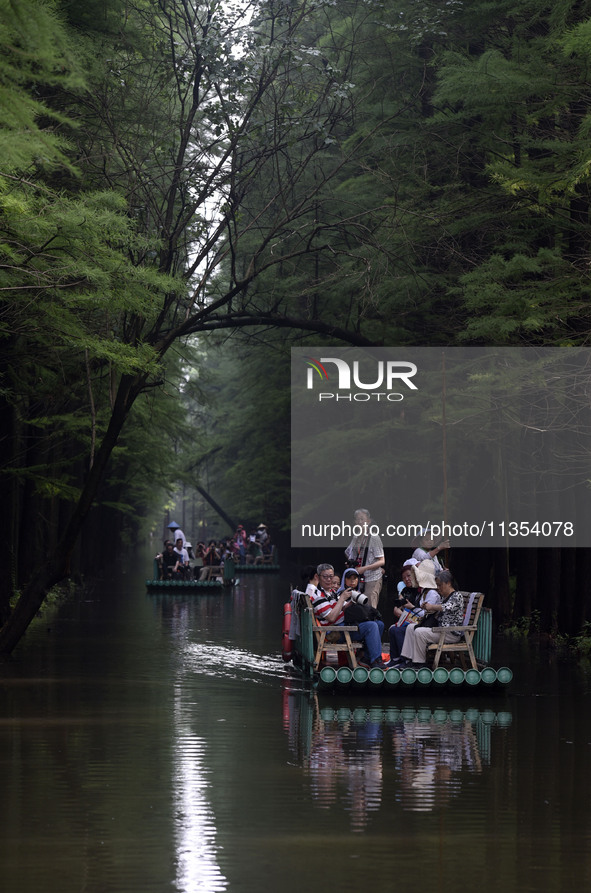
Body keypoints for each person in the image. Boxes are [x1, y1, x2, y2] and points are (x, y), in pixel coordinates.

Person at [308, 563, 387, 669]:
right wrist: (342, 599)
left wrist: (351, 601)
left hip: (343, 626)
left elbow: (341, 608)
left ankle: (367, 659)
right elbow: (331, 617)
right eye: (325, 577)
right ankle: (376, 661)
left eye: (331, 576)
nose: (329, 580)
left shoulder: (332, 592)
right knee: (371, 626)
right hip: (335, 632)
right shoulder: (317, 596)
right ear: (318, 577)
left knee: (379, 624)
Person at [394, 569, 465, 668]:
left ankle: (419, 663)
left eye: (440, 585)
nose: (438, 588)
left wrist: (432, 607)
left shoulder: (457, 596)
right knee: (411, 627)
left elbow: (446, 607)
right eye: (437, 585)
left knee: (420, 632)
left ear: (448, 583)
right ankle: (408, 660)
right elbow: (439, 611)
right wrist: (426, 608)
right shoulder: (445, 597)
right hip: (441, 630)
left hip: (450, 633)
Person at [387, 561, 441, 665]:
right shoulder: (423, 592)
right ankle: (396, 659)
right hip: (419, 621)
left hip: (426, 624)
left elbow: (425, 614)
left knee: (400, 630)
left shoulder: (432, 594)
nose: (411, 578)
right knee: (393, 628)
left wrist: (411, 607)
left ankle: (406, 660)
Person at [344, 508, 385, 611]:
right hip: (359, 578)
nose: (360, 522)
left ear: (369, 521)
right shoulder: (356, 537)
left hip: (372, 577)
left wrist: (364, 568)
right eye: (357, 520)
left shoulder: (374, 537)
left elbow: (382, 561)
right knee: (358, 606)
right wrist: (351, 563)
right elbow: (348, 553)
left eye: (362, 519)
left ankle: (373, 626)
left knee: (369, 606)